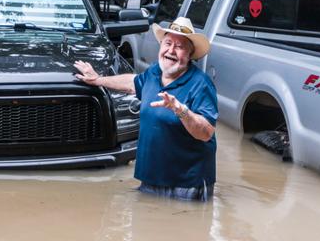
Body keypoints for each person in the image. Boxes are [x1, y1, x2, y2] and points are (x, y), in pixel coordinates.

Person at [74, 16, 217, 201]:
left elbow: (206, 133)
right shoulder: (154, 72)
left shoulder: (201, 84)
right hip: (150, 179)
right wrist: (98, 80)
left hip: (186, 185)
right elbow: (133, 83)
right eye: (168, 43)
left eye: (180, 47)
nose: (171, 50)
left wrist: (181, 111)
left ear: (189, 55)